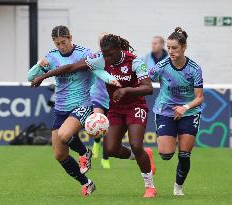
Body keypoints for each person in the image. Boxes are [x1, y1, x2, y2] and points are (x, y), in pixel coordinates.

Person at [31, 34, 157, 198]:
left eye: (110, 54)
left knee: (135, 144)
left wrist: (126, 90)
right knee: (110, 149)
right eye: (104, 54)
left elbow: (148, 88)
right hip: (116, 108)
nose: (106, 58)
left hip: (135, 106)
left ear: (119, 50)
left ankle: (149, 187)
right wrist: (44, 76)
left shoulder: (135, 61)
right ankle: (142, 156)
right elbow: (71, 67)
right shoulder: (101, 59)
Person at [27, 26, 119, 196]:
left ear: (70, 38)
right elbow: (30, 77)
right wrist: (39, 65)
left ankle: (85, 152)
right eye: (58, 43)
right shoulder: (52, 56)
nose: (62, 46)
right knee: (59, 154)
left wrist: (111, 79)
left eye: (64, 42)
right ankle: (87, 183)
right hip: (60, 108)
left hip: (82, 103)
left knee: (64, 134)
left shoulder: (84, 53)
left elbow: (98, 70)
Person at [149, 27, 204, 196]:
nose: (170, 51)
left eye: (175, 48)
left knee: (185, 154)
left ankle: (178, 188)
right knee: (166, 155)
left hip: (189, 112)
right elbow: (145, 78)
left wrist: (185, 107)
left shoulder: (194, 69)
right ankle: (158, 150)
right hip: (165, 110)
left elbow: (199, 97)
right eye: (169, 48)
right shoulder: (162, 66)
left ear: (184, 47)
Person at [90, 32, 111, 168]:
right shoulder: (95, 58)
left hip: (112, 98)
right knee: (98, 122)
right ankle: (97, 141)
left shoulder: (117, 57)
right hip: (97, 96)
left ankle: (105, 158)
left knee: (108, 129)